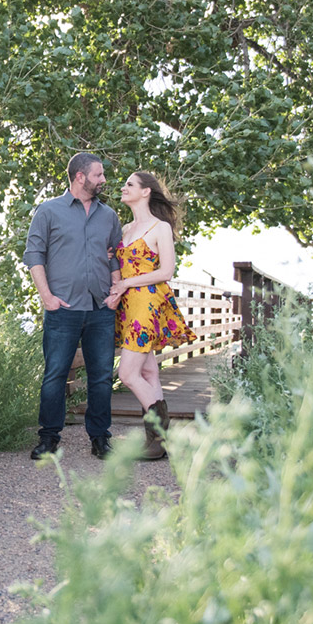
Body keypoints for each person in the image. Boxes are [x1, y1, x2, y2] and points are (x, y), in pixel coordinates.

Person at [22, 152, 123, 460]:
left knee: (102, 376)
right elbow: (33, 255)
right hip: (62, 309)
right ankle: (49, 438)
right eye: (98, 175)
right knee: (55, 374)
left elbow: (115, 256)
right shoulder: (49, 211)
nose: (103, 180)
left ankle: (100, 439)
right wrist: (46, 297)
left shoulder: (109, 216)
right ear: (80, 177)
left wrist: (116, 291)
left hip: (100, 308)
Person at [105, 171, 196, 460]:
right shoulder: (124, 228)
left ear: (146, 192)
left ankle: (161, 431)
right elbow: (118, 266)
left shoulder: (160, 228)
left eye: (130, 184)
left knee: (127, 373)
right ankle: (157, 443)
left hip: (147, 302)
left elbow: (166, 271)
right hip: (127, 303)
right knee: (148, 371)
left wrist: (126, 284)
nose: (123, 187)